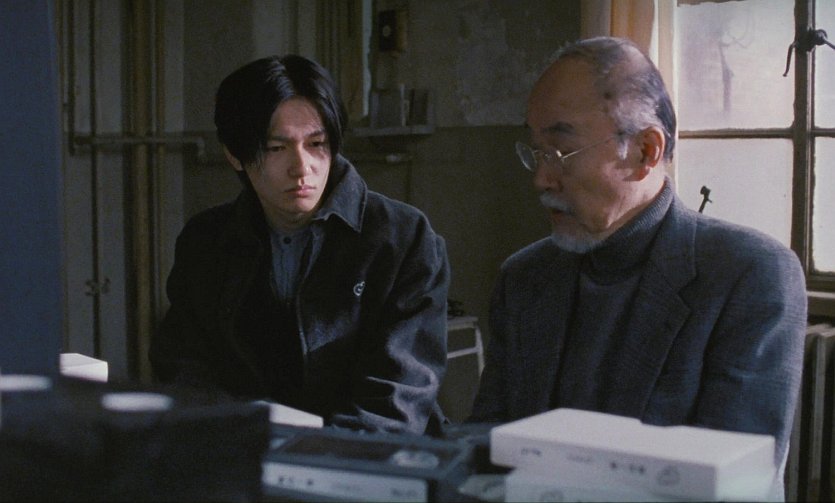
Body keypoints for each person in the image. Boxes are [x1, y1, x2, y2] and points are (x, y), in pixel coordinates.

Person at [469, 37, 806, 486]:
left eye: (561, 153)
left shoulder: (748, 275)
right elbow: (487, 447)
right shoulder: (525, 278)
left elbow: (731, 483)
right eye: (536, 152)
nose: (541, 179)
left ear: (647, 151)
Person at [149, 55, 450, 435]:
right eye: (277, 148)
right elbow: (184, 368)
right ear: (235, 155)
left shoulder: (403, 237)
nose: (302, 167)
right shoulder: (206, 241)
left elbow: (398, 394)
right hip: (247, 446)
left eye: (317, 143)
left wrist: (317, 454)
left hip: (368, 455)